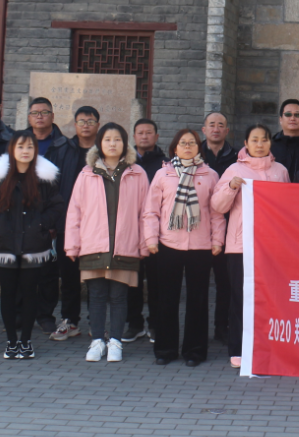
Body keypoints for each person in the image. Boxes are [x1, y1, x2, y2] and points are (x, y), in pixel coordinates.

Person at [64, 122, 151, 364]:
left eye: (117, 139)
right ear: (99, 144)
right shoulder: (87, 173)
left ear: (125, 143)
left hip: (125, 244)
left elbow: (146, 212)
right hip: (93, 244)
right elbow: (75, 212)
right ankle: (97, 341)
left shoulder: (137, 173)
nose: (112, 144)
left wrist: (145, 243)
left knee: (120, 297)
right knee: (97, 296)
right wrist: (72, 245)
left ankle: (115, 341)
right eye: (107, 139)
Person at [210, 124, 290, 368]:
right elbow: (217, 205)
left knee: (271, 298)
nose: (260, 144)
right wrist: (231, 187)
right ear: (246, 143)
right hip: (241, 246)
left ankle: (268, 347)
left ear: (270, 143)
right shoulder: (234, 170)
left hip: (272, 246)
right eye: (254, 140)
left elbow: (288, 208)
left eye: (264, 139)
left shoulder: (280, 171)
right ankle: (238, 349)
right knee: (240, 299)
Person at [143, 128, 223, 366]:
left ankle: (194, 351)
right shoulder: (163, 174)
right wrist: (151, 238)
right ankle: (165, 350)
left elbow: (217, 213)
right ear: (175, 148)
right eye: (183, 143)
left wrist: (217, 240)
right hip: (169, 244)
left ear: (199, 148)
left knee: (198, 300)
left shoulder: (210, 175)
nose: (187, 146)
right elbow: (151, 211)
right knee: (167, 299)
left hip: (201, 245)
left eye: (192, 143)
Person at [0, 133, 62, 360]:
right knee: (7, 293)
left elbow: (57, 206)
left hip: (34, 245)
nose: (25, 151)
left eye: (29, 147)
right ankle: (11, 341)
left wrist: (41, 225)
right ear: (12, 150)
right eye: (20, 147)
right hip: (5, 244)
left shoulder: (45, 178)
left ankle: (26, 341)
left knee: (29, 293)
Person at [44, 105, 100, 341]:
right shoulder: (62, 150)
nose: (86, 125)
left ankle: (96, 322)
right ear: (74, 125)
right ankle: (70, 320)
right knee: (68, 275)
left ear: (98, 125)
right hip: (68, 223)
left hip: (97, 225)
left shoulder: (104, 152)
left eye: (90, 121)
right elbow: (51, 187)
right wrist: (53, 219)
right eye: (81, 121)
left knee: (96, 276)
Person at [124, 118, 163, 343]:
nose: (145, 136)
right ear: (134, 136)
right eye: (140, 133)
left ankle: (155, 324)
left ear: (156, 137)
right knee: (132, 280)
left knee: (156, 280)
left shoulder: (166, 163)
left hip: (157, 231)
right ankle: (134, 323)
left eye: (149, 133)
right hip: (131, 229)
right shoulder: (125, 163)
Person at [200, 111, 236, 342]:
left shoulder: (237, 158)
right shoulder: (194, 155)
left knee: (225, 283)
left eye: (220, 125)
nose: (216, 129)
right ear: (204, 130)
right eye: (211, 124)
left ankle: (222, 326)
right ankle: (199, 329)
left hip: (228, 228)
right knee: (199, 283)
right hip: (200, 229)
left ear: (227, 130)